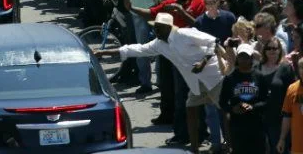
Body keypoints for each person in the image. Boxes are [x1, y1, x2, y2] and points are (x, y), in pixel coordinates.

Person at [96, 12, 224, 154]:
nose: (154, 30)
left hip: (214, 76)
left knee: (219, 112)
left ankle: (226, 145)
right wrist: (103, 53)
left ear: (168, 27)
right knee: (191, 109)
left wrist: (203, 62)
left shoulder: (184, 34)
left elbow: (213, 41)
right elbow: (137, 49)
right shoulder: (159, 44)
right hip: (195, 81)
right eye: (154, 27)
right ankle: (195, 149)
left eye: (158, 27)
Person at [219, 43, 268, 154]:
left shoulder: (259, 77)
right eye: (241, 56)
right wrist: (232, 109)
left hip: (256, 125)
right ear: (237, 58)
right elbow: (222, 102)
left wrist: (253, 107)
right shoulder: (229, 78)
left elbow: (266, 100)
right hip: (237, 127)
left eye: (246, 57)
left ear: (251, 58)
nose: (244, 60)